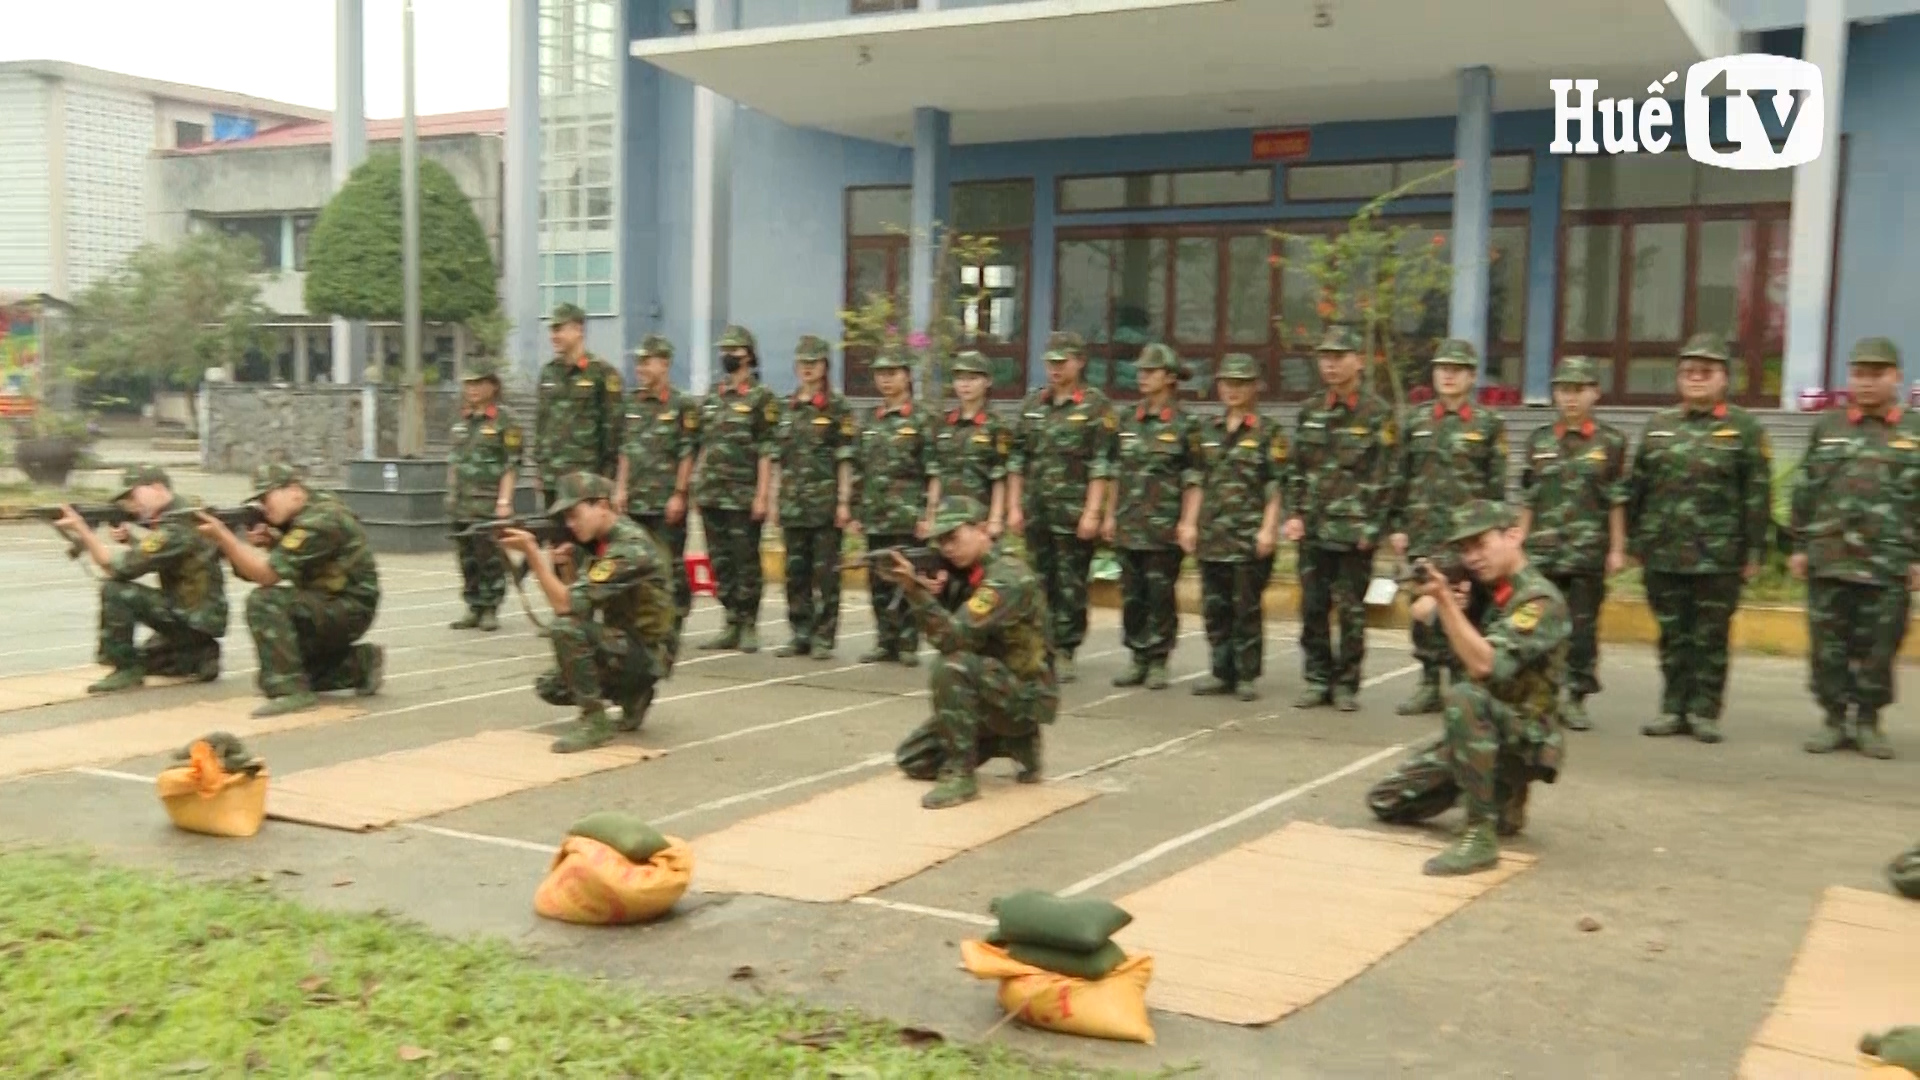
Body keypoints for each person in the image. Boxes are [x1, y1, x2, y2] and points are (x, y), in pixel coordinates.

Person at [1368, 500, 1570, 877]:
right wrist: (1446, 600)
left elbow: (1485, 664)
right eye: (1465, 549)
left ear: (1512, 536)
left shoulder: (1538, 600)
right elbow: (1423, 616)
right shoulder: (1488, 591)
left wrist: (1446, 600)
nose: (1473, 557)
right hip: (1487, 729)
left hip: (1526, 734)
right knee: (1386, 801)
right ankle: (1498, 792)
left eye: (1481, 544)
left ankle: (1480, 834)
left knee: (1464, 696)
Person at [1627, 332, 1772, 744]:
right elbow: (1639, 487)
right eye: (1688, 371)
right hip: (1664, 552)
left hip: (1719, 555)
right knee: (1672, 634)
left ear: (1724, 378)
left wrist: (1755, 550)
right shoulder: (1658, 427)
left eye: (1705, 371)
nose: (1695, 378)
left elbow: (1757, 494)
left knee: (1710, 637)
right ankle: (1673, 707)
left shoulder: (1744, 428)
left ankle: (1704, 711)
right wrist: (1636, 543)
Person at [1788, 336, 1919, 760]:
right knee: (1827, 647)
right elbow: (1806, 488)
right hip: (1830, 556)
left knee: (1881, 647)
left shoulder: (1913, 431)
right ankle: (1833, 720)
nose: (1865, 382)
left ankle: (1868, 722)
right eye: (1858, 373)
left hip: (1889, 561)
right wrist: (1798, 545)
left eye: (1876, 374)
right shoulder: (1828, 427)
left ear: (1896, 377)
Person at [883, 496, 1055, 810]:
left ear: (982, 530)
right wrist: (940, 593)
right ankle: (1011, 741)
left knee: (950, 666)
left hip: (1025, 693)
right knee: (913, 759)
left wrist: (916, 592)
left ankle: (961, 775)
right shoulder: (970, 575)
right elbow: (964, 628)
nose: (947, 547)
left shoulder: (1007, 577)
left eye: (954, 537)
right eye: (941, 541)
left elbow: (953, 638)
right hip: (993, 685)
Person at [500, 472, 676, 753]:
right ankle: (633, 695)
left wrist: (532, 554)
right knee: (552, 686)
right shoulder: (602, 544)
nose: (570, 524)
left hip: (648, 653)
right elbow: (581, 604)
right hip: (629, 644)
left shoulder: (629, 547)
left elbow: (565, 608)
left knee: (563, 629)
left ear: (603, 506)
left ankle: (596, 721)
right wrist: (567, 567)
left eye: (575, 514)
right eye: (566, 518)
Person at [196, 463, 383, 717]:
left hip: (348, 607)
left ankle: (291, 693)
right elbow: (261, 569)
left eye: (267, 497)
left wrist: (224, 538)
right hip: (329, 603)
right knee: (270, 675)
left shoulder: (322, 519)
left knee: (265, 602)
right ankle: (357, 665)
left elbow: (266, 575)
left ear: (294, 491)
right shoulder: (308, 512)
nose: (263, 507)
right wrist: (270, 542)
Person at [1386, 339, 1508, 716]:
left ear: (1472, 376)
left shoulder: (1488, 424)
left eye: (1457, 369)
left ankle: (1460, 680)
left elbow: (1496, 486)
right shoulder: (1417, 420)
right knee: (1422, 608)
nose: (1448, 375)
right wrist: (1396, 524)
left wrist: (1490, 536)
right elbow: (1399, 476)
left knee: (1462, 607)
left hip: (1465, 539)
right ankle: (1427, 681)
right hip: (1422, 532)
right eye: (1442, 368)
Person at [1284, 324, 1398, 711]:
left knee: (1350, 612)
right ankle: (1317, 678)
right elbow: (1296, 469)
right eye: (1325, 358)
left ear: (1358, 362)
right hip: (1314, 529)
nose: (1330, 365)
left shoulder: (1378, 414)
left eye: (1338, 357)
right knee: (1313, 608)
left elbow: (1387, 475)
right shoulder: (1310, 411)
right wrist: (1294, 513)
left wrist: (1374, 527)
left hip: (1354, 533)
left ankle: (1347, 682)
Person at [1516, 356, 1630, 731]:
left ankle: (1576, 698)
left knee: (1582, 631)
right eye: (1564, 389)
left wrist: (1617, 548)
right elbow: (1529, 497)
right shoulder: (1539, 441)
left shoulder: (1611, 442)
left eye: (1579, 389)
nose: (1570, 397)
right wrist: (1518, 540)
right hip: (1543, 552)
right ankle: (1539, 696)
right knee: (1537, 627)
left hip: (1587, 553)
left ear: (1594, 393)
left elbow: (1616, 500)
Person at [53, 465, 226, 692]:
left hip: (191, 616)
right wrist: (132, 541)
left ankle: (125, 670)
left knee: (115, 590)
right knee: (150, 658)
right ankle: (200, 653)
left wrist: (82, 530)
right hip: (200, 616)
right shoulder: (186, 511)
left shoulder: (176, 527)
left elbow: (117, 568)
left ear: (157, 488)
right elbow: (173, 558)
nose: (130, 505)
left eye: (133, 495)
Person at [1006, 331, 1117, 683]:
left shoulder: (1096, 406)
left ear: (1080, 362)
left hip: (1073, 513)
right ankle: (1041, 647)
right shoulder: (1033, 404)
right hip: (1037, 509)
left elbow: (1103, 464)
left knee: (1071, 583)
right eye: (1050, 362)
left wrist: (1093, 512)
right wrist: (1013, 507)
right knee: (1039, 582)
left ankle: (1066, 648)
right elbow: (1017, 459)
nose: (1055, 369)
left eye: (1062, 362)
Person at [1102, 343, 1202, 690]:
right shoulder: (1127, 420)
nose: (1142, 377)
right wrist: (1110, 515)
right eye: (1140, 371)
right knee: (1131, 594)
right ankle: (1137, 656)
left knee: (1160, 594)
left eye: (1150, 372)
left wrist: (1188, 522)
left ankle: (1158, 658)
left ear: (1170, 378)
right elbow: (1115, 470)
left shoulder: (1186, 425)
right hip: (1129, 522)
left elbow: (1194, 479)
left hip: (1163, 526)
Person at [1192, 354, 1286, 701]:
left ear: (1254, 387)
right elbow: (1198, 480)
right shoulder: (1208, 430)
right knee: (1214, 607)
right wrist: (1190, 523)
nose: (1232, 389)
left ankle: (1246, 674)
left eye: (1240, 383)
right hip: (1212, 533)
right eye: (1226, 383)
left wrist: (1268, 528)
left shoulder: (1269, 432)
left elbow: (1276, 484)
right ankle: (1220, 671)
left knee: (1245, 607)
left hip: (1248, 535)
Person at [849, 344, 940, 665]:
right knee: (878, 580)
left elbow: (933, 471)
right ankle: (884, 640)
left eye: (892, 373)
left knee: (907, 580)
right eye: (880, 374)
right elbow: (860, 468)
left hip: (907, 515)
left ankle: (907, 643)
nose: (886, 380)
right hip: (876, 514)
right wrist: (856, 509)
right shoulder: (870, 419)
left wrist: (928, 515)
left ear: (907, 376)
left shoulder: (923, 418)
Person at [613, 334, 700, 659]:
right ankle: (644, 626)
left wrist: (679, 493)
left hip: (666, 503)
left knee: (670, 568)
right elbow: (625, 451)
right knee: (636, 567)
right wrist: (619, 488)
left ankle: (673, 626)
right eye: (638, 362)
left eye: (647, 362)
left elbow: (687, 453)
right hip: (634, 502)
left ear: (664, 363)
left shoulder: (682, 405)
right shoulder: (632, 404)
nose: (641, 368)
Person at [693, 324, 778, 653]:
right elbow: (703, 443)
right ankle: (730, 619)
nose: (727, 356)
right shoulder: (714, 396)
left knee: (746, 561)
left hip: (742, 495)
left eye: (734, 351)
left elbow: (768, 450)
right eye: (724, 351)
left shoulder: (761, 398)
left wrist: (762, 495)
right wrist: (697, 485)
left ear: (749, 356)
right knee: (720, 561)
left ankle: (749, 624)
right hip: (712, 492)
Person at [771, 334, 857, 659]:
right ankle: (800, 633)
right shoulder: (786, 408)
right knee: (795, 574)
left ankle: (824, 636)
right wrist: (775, 499)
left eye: (814, 363)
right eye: (803, 363)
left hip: (824, 505)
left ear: (824, 367)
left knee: (826, 576)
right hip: (793, 504)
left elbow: (845, 457)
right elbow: (778, 458)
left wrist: (844, 502)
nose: (808, 369)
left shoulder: (838, 408)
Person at [445, 357, 523, 632]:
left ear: (493, 386)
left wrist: (504, 501)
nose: (473, 389)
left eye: (478, 383)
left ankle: (490, 607)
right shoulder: (462, 421)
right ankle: (473, 605)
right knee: (466, 558)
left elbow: (511, 464)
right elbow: (454, 461)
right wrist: (451, 493)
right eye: (468, 383)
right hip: (462, 503)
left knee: (489, 557)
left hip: (489, 502)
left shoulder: (505, 420)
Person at [532, 302, 623, 508]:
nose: (553, 336)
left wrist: (607, 478)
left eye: (559, 329)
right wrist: (539, 468)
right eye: (552, 330)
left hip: (585, 479)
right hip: (551, 477)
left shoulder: (602, 373)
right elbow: (542, 423)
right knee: (554, 538)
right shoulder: (548, 373)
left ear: (578, 330)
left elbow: (613, 429)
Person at [931, 351, 1011, 537]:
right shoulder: (943, 423)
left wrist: (996, 519)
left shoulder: (997, 425)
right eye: (960, 378)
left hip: (980, 518)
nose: (965, 384)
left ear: (988, 381)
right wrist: (930, 514)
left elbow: (1000, 475)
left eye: (973, 378)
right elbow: (936, 472)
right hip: (945, 518)